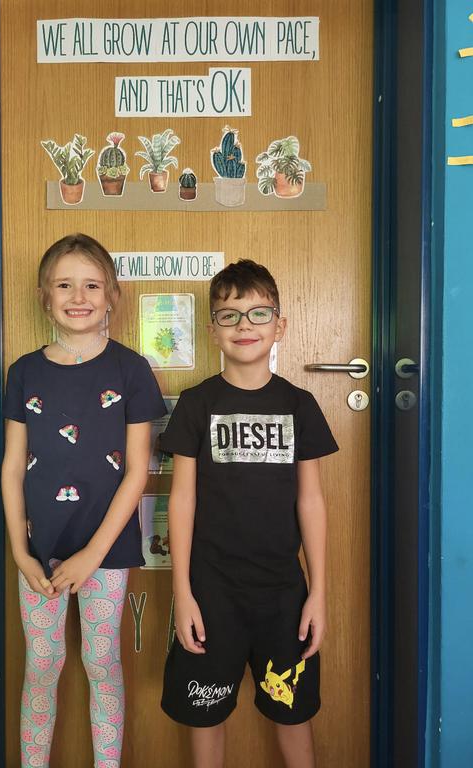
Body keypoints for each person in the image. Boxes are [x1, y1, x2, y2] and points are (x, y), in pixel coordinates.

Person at [160, 259, 338, 768]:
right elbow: (182, 500)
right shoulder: (196, 403)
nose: (245, 325)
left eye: (259, 313)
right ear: (212, 330)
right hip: (210, 592)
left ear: (280, 326)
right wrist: (182, 593)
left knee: (292, 712)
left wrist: (318, 593)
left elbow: (311, 501)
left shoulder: (299, 404)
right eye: (230, 315)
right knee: (204, 716)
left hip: (283, 593)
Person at [1, 233, 166, 768]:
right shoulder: (24, 371)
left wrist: (93, 554)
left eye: (92, 285)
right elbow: (12, 466)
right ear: (44, 296)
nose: (79, 296)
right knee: (41, 666)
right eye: (64, 285)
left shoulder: (130, 369)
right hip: (39, 550)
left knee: (101, 662)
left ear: (112, 295)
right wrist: (20, 552)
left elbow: (138, 470)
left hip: (106, 550)